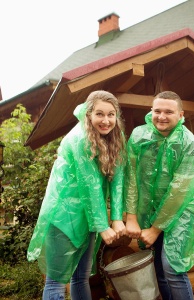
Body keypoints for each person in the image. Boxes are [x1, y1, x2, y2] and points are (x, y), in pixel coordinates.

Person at [27, 90, 126, 300]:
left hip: (89, 215)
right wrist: (102, 226)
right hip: (64, 215)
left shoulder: (115, 137)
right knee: (56, 281)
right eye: (100, 114)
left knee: (81, 277)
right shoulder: (80, 138)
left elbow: (118, 178)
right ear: (89, 114)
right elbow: (89, 184)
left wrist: (117, 218)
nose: (106, 120)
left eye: (111, 114)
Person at [125, 91, 194, 300]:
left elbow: (179, 191)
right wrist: (132, 216)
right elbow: (131, 177)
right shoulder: (139, 136)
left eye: (168, 112)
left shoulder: (191, 145)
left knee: (173, 268)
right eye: (157, 111)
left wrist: (154, 229)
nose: (162, 116)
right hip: (150, 208)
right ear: (150, 111)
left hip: (181, 210)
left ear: (180, 115)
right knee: (159, 268)